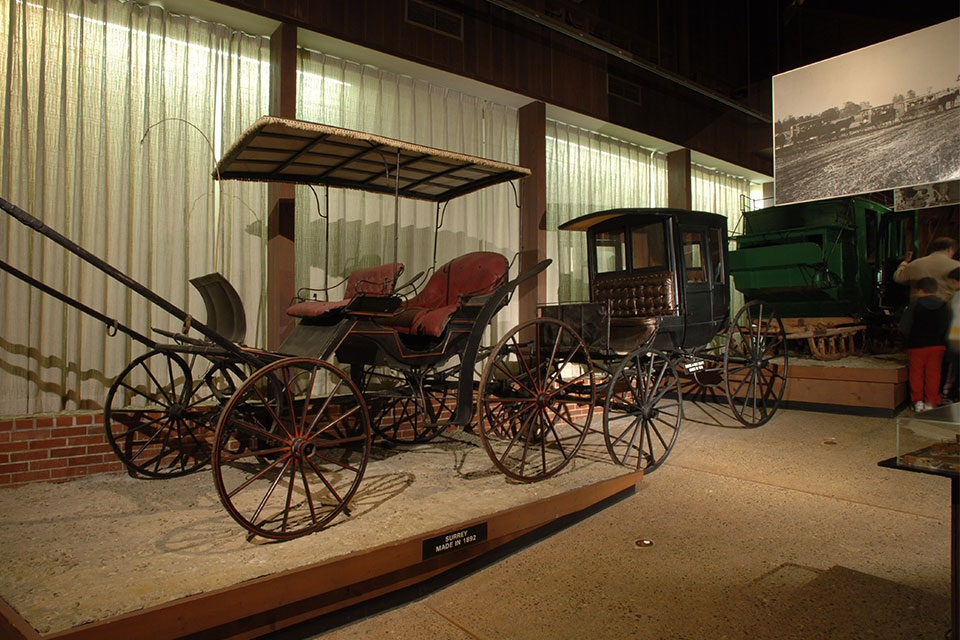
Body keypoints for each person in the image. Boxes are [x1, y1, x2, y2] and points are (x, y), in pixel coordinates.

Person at [900, 277, 951, 411]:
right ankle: (931, 403)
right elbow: (947, 326)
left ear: (920, 290)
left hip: (916, 346)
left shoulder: (914, 305)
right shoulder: (944, 305)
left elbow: (904, 327)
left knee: (916, 374)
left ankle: (918, 402)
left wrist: (908, 339)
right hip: (937, 346)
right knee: (934, 375)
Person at [893, 236, 960, 303]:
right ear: (950, 249)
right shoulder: (957, 266)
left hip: (918, 309)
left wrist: (905, 262)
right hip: (947, 309)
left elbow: (898, 278)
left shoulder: (915, 264)